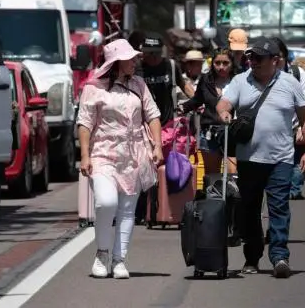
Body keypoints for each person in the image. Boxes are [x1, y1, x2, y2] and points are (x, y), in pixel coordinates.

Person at [216, 37, 305, 279]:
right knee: (248, 210)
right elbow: (223, 104)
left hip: (281, 158)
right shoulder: (241, 81)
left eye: (259, 58)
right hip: (249, 158)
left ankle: (280, 256)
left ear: (275, 61)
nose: (254, 62)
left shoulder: (290, 83)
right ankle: (252, 256)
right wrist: (226, 113)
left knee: (279, 206)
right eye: (251, 57)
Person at [77, 39, 163, 279]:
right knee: (106, 202)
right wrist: (84, 155)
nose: (135, 61)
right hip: (102, 153)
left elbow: (153, 115)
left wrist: (157, 146)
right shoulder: (93, 89)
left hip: (134, 155)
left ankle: (119, 260)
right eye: (130, 58)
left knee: (127, 210)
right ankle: (102, 254)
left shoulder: (139, 85)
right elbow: (84, 123)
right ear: (116, 63)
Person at [178, 47, 237, 175]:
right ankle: (211, 194)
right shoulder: (205, 80)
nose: (221, 67)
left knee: (233, 173)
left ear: (232, 64)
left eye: (225, 63)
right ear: (212, 63)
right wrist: (183, 108)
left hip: (231, 132)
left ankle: (231, 195)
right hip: (209, 133)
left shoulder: (238, 80)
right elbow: (197, 100)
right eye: (217, 63)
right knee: (212, 176)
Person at [270, 38, 305, 200]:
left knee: (297, 160)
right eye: (273, 56)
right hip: (272, 130)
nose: (276, 61)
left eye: (280, 57)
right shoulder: (262, 74)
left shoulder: (297, 73)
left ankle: (293, 190)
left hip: (294, 127)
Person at [128, 31, 195, 126]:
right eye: (148, 52)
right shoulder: (135, 69)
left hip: (169, 124)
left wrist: (198, 100)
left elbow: (183, 85)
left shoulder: (171, 66)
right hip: (144, 124)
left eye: (156, 52)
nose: (153, 56)